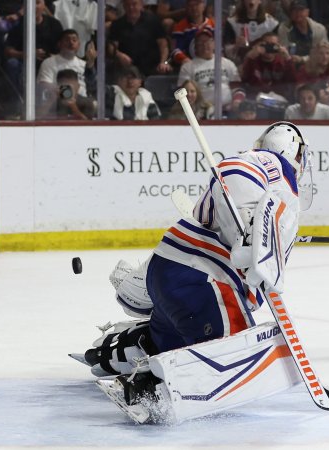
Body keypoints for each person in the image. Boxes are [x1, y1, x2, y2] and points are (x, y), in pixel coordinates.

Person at [82, 121, 313, 422]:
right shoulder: (274, 164)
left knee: (177, 345)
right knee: (231, 352)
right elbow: (234, 167)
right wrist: (248, 227)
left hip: (167, 275)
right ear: (294, 153)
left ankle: (130, 348)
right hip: (203, 283)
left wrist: (247, 230)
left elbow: (202, 215)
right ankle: (147, 389)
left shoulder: (243, 192)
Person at [177, 27, 241, 113]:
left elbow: (237, 88)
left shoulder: (227, 63)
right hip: (201, 112)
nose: (204, 45)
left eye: (208, 41)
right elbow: (183, 94)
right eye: (200, 42)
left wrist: (236, 101)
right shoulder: (188, 67)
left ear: (214, 44)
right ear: (195, 46)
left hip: (228, 110)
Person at [3, 0, 63, 89]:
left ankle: (62, 98)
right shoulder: (19, 24)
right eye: (30, 3)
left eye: (37, 3)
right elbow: (8, 51)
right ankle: (17, 99)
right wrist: (28, 54)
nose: (34, 7)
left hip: (49, 63)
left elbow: (63, 49)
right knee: (12, 63)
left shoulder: (54, 24)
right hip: (24, 63)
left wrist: (52, 58)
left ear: (44, 6)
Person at [108, 0, 171, 78]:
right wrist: (119, 55)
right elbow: (111, 47)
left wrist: (163, 62)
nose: (131, 8)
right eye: (128, 5)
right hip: (128, 69)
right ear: (124, 6)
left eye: (134, 4)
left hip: (152, 67)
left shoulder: (153, 20)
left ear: (141, 5)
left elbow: (163, 45)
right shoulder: (117, 24)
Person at [37, 29, 96, 102]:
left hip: (84, 104)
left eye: (74, 40)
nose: (71, 43)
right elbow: (45, 86)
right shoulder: (49, 63)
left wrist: (91, 64)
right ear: (59, 44)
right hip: (58, 104)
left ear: (79, 45)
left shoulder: (84, 65)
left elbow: (93, 87)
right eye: (67, 40)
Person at [224, 0, 280, 65]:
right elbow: (227, 53)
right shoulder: (232, 22)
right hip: (240, 64)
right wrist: (236, 46)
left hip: (264, 65)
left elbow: (276, 49)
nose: (251, 1)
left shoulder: (271, 23)